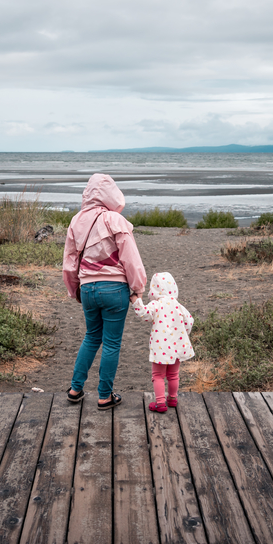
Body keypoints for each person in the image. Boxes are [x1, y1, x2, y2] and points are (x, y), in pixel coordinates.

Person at [63, 173, 147, 409]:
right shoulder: (115, 219)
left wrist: (74, 290)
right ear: (112, 193)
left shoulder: (76, 220)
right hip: (114, 289)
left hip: (88, 288)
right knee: (111, 343)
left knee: (91, 337)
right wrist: (137, 288)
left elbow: (70, 261)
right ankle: (104, 395)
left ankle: (75, 389)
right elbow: (131, 258)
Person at [131, 272, 195, 412]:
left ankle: (160, 403)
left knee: (158, 376)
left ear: (155, 290)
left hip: (161, 347)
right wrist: (183, 334)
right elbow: (189, 321)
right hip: (177, 345)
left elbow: (144, 313)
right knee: (173, 375)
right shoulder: (178, 305)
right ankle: (172, 398)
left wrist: (136, 301)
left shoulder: (156, 304)